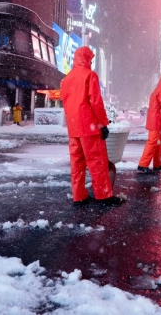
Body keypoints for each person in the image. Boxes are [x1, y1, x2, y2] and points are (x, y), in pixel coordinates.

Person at [61, 46, 123, 207]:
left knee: (77, 163)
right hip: (89, 126)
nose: (92, 62)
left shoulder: (66, 79)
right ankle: (104, 195)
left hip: (74, 127)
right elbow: (96, 102)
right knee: (97, 161)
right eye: (91, 59)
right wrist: (103, 124)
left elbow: (67, 104)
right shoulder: (90, 75)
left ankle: (79, 195)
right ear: (87, 59)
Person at [137, 75, 161, 174]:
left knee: (158, 143)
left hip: (156, 120)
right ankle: (143, 165)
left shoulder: (158, 89)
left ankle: (157, 164)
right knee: (153, 142)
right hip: (156, 121)